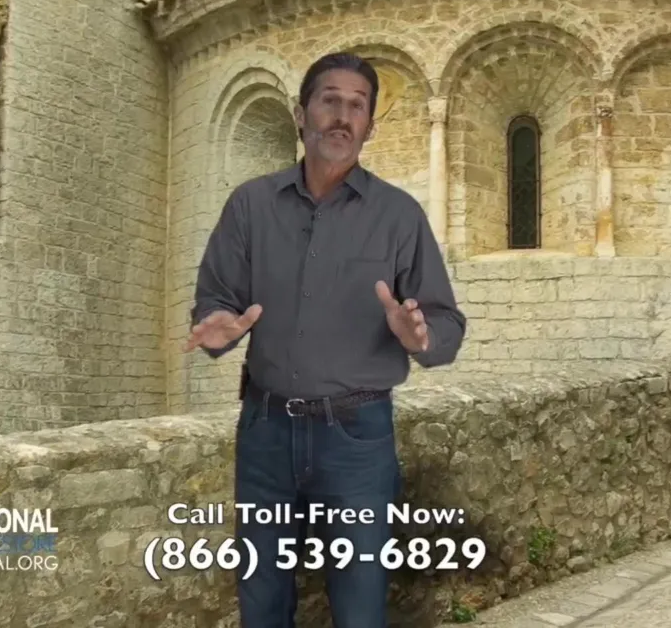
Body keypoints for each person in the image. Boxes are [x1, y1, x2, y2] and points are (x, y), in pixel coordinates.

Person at [183, 52, 466, 628]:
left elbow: (446, 326)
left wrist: (419, 335)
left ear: (369, 126)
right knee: (261, 600)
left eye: (357, 106)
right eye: (329, 100)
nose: (342, 116)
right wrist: (217, 325)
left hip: (357, 440)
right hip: (265, 432)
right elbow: (216, 298)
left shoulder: (399, 216)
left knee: (360, 605)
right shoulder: (250, 206)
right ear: (300, 114)